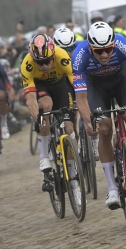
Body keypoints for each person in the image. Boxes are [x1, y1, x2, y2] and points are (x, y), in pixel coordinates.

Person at [72, 22, 126, 209]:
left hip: (121, 79)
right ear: (90, 47)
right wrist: (89, 122)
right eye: (99, 51)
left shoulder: (123, 44)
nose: (104, 54)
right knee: (103, 128)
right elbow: (80, 99)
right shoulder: (79, 55)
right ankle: (112, 187)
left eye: (108, 49)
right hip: (96, 86)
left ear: (114, 44)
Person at [20, 34, 76, 174]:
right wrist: (37, 119)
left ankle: (74, 177)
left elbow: (75, 83)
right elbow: (31, 99)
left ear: (53, 55)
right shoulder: (27, 65)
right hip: (41, 86)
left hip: (60, 84)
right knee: (46, 106)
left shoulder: (62, 55)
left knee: (69, 128)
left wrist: (81, 102)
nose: (44, 65)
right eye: (39, 62)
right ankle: (44, 156)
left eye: (47, 61)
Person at [53, 27, 100, 160]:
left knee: (89, 106)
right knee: (70, 116)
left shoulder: (81, 47)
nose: (68, 53)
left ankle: (93, 140)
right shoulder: (51, 53)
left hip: (80, 78)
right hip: (63, 82)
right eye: (63, 50)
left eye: (70, 49)